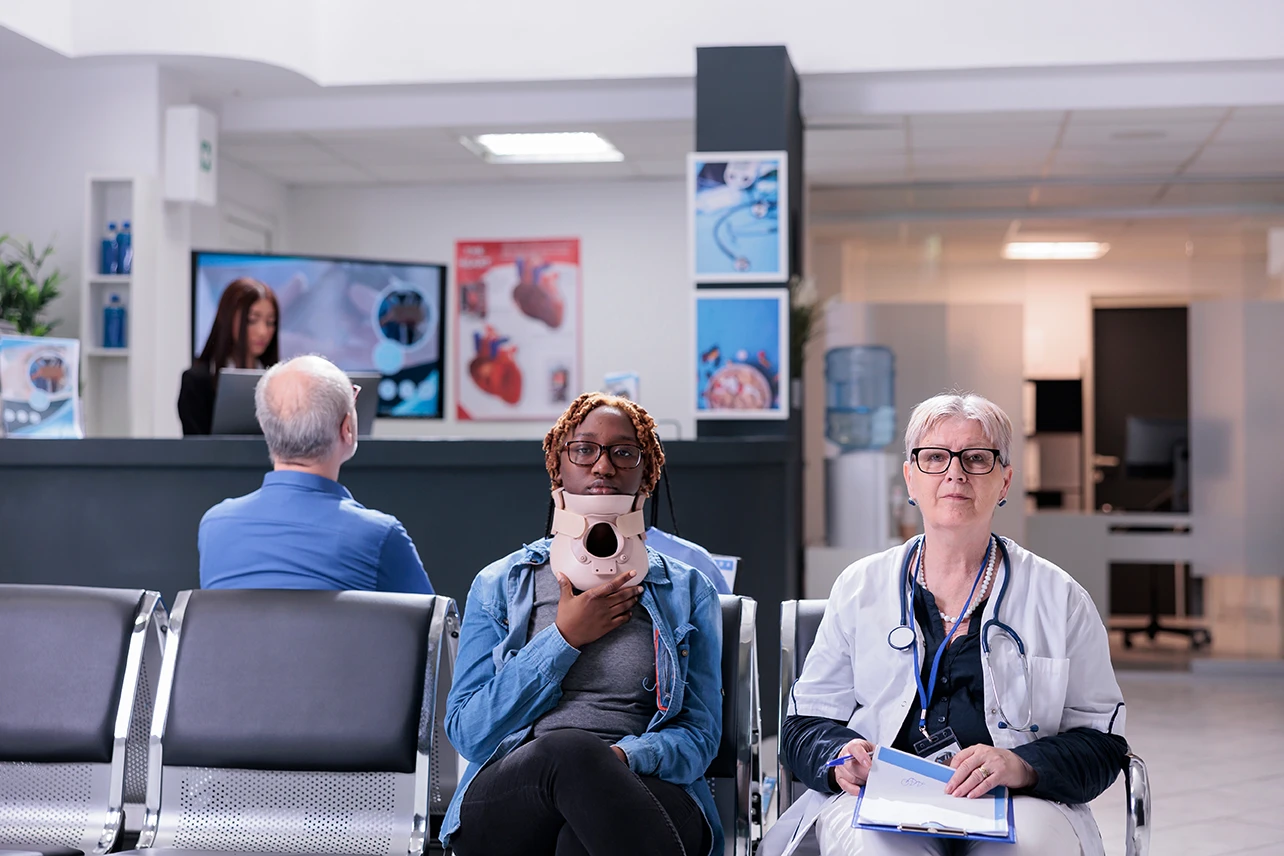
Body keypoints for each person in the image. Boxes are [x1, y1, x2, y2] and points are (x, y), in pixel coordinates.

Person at [769, 392, 1128, 856]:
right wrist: (839, 758)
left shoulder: (1060, 599)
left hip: (1018, 801)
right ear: (910, 479)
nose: (955, 473)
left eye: (976, 458)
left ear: (1005, 481)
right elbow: (805, 723)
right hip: (883, 801)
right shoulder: (860, 587)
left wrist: (1021, 765)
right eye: (935, 457)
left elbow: (1103, 743)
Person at [443, 392, 724, 856]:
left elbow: (699, 737)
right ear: (558, 465)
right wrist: (562, 639)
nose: (603, 466)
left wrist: (621, 758)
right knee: (568, 751)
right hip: (516, 789)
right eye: (584, 449)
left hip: (645, 785)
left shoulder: (688, 590)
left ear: (646, 475)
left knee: (579, 837)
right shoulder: (500, 584)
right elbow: (469, 733)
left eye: (624, 452)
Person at [198, 355, 432, 595]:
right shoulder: (380, 537)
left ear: (264, 424)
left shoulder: (214, 527)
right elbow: (434, 629)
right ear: (347, 429)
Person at [179, 277, 280, 435]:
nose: (263, 332)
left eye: (270, 322)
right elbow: (195, 452)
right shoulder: (197, 382)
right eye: (252, 320)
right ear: (227, 318)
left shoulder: (278, 381)